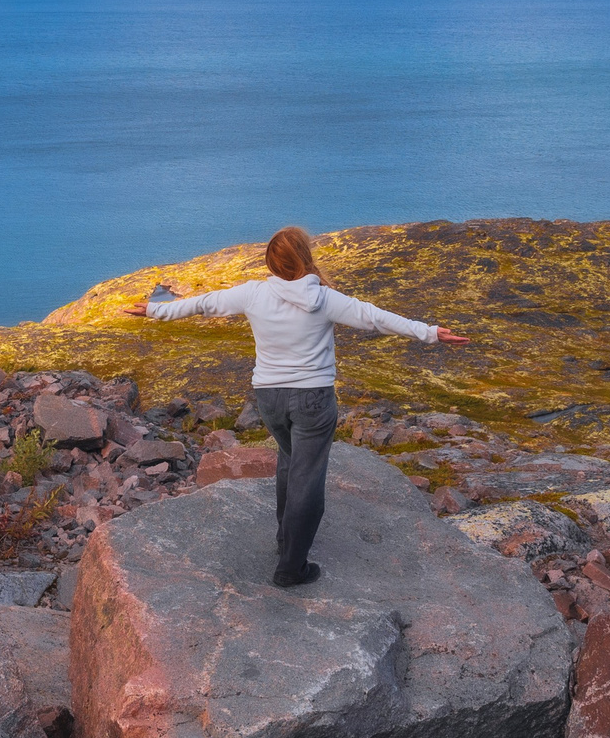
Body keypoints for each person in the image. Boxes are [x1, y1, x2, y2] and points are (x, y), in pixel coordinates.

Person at [123, 226, 468, 588]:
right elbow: (375, 317)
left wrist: (156, 310)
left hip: (269, 398)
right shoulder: (324, 298)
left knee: (290, 461)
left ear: (271, 263)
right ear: (305, 257)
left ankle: (285, 539)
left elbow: (205, 303)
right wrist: (430, 332)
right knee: (308, 477)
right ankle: (291, 567)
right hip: (313, 400)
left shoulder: (253, 293)